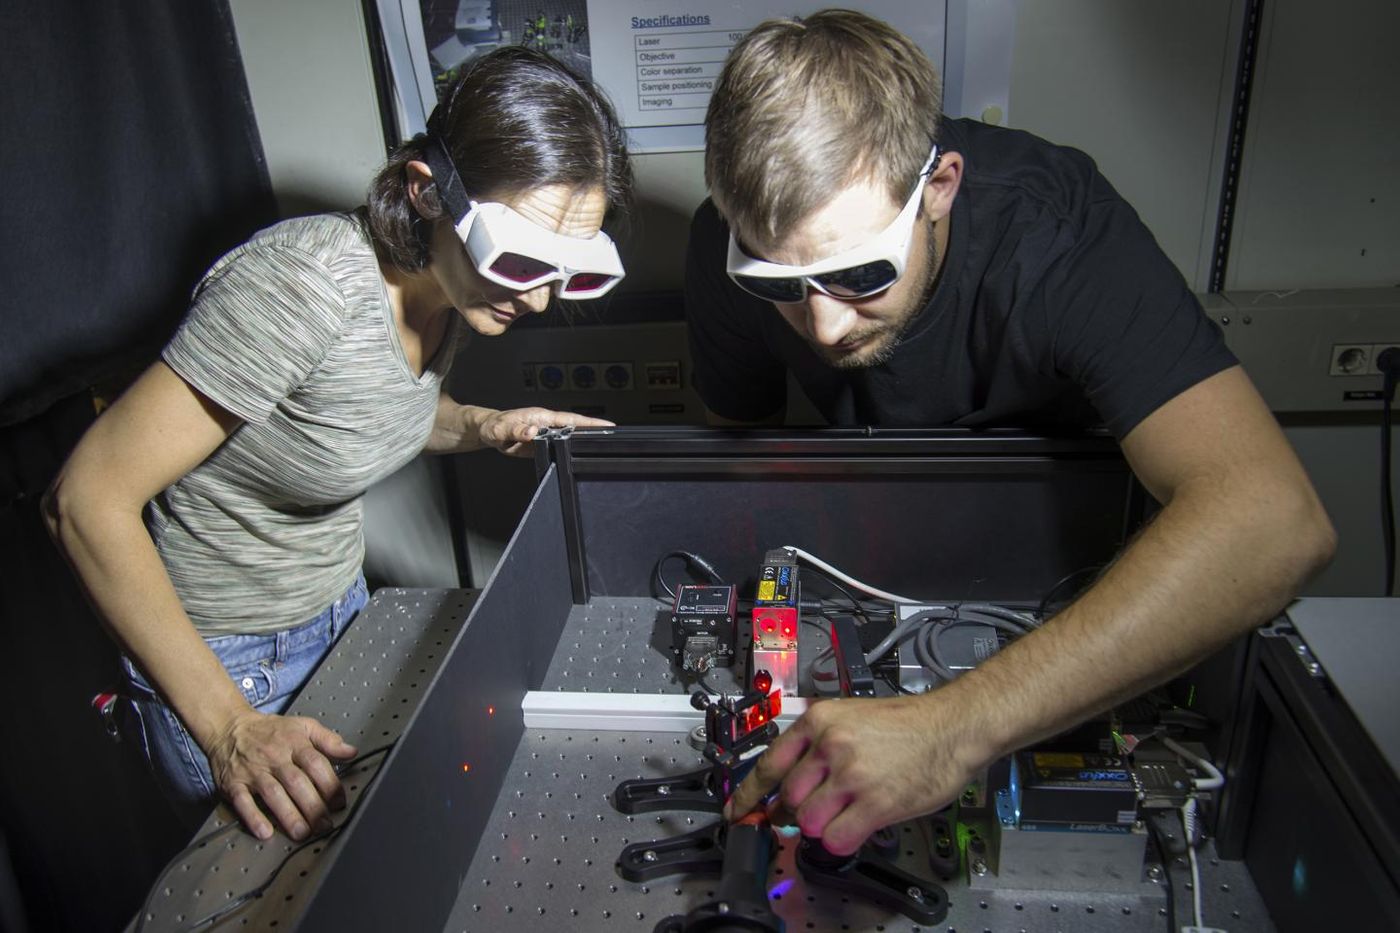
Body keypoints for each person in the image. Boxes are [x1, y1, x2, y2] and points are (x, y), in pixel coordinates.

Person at [684, 11, 1335, 854]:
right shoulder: (721, 244)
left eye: (857, 275)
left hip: (1070, 578)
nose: (825, 326)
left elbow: (1275, 520)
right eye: (779, 282)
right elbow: (742, 474)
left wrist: (951, 728)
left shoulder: (1059, 234)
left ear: (941, 186)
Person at [44, 47, 631, 842]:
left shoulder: (454, 291)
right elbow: (85, 501)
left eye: (569, 270)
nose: (538, 295)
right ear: (428, 193)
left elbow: (363, 413)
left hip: (339, 611)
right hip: (224, 666)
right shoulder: (303, 287)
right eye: (521, 259)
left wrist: (486, 425)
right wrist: (229, 729)